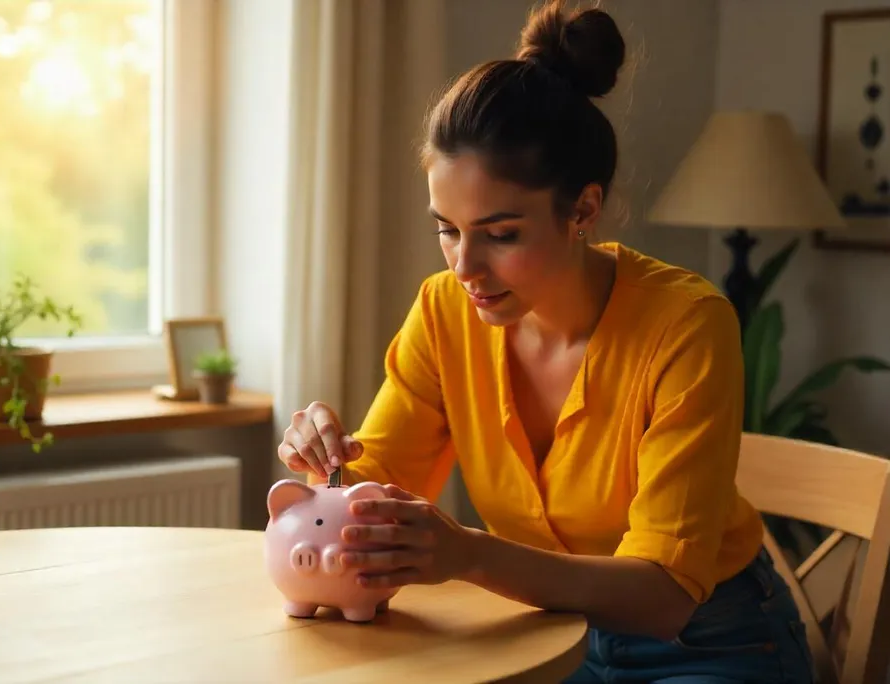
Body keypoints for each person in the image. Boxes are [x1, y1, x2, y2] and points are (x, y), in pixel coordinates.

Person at [276, 1, 814, 681]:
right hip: (544, 635)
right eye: (448, 228)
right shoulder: (444, 313)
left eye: (500, 234)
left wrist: (468, 556)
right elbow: (377, 488)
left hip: (711, 645)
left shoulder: (685, 325)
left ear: (582, 211)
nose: (464, 267)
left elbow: (664, 597)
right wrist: (325, 469)